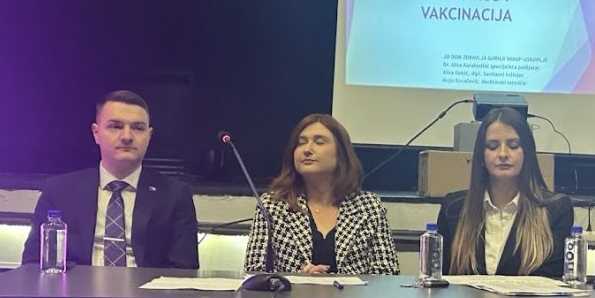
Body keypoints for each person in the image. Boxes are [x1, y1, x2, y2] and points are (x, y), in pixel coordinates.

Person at [21, 90, 199, 269]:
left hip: (147, 286)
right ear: (96, 133)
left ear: (149, 136)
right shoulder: (60, 190)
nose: (127, 137)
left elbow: (184, 270)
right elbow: (32, 263)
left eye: (138, 128)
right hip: (78, 285)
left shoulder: (175, 195)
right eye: (115, 126)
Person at [244, 113, 399, 275]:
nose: (307, 149)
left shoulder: (368, 206)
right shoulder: (273, 205)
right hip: (291, 292)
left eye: (319, 142)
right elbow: (254, 272)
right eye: (301, 143)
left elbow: (387, 273)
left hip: (352, 292)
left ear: (341, 154)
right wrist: (296, 278)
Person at [437, 107, 573, 277]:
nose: (503, 154)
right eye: (492, 146)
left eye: (513, 145)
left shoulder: (556, 209)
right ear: (481, 155)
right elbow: (441, 278)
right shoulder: (454, 208)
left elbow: (552, 280)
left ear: (527, 153)